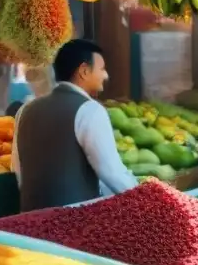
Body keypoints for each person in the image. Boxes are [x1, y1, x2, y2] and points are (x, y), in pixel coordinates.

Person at [12, 39, 136, 212]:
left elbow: (18, 171)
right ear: (84, 71)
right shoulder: (90, 110)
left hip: (28, 222)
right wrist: (145, 199)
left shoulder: (25, 110)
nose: (106, 75)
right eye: (102, 69)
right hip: (73, 224)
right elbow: (112, 173)